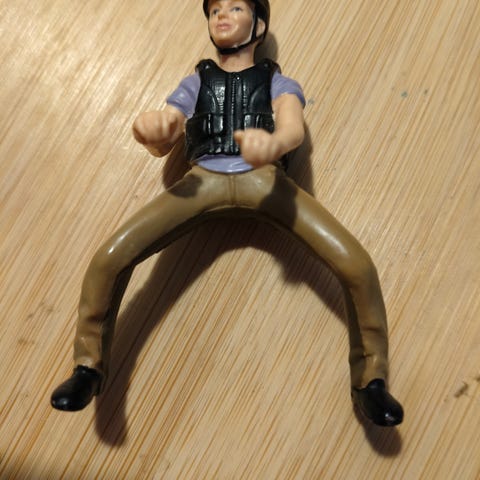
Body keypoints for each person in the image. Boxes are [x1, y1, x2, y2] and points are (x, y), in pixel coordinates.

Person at [51, 0, 403, 427]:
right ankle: (87, 369)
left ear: (259, 25)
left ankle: (370, 380)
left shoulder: (277, 82)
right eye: (215, 9)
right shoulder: (196, 82)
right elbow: (167, 131)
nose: (221, 15)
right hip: (202, 181)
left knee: (356, 264)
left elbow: (292, 127)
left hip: (265, 182)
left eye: (235, 7)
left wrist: (274, 144)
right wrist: (152, 132)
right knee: (110, 258)